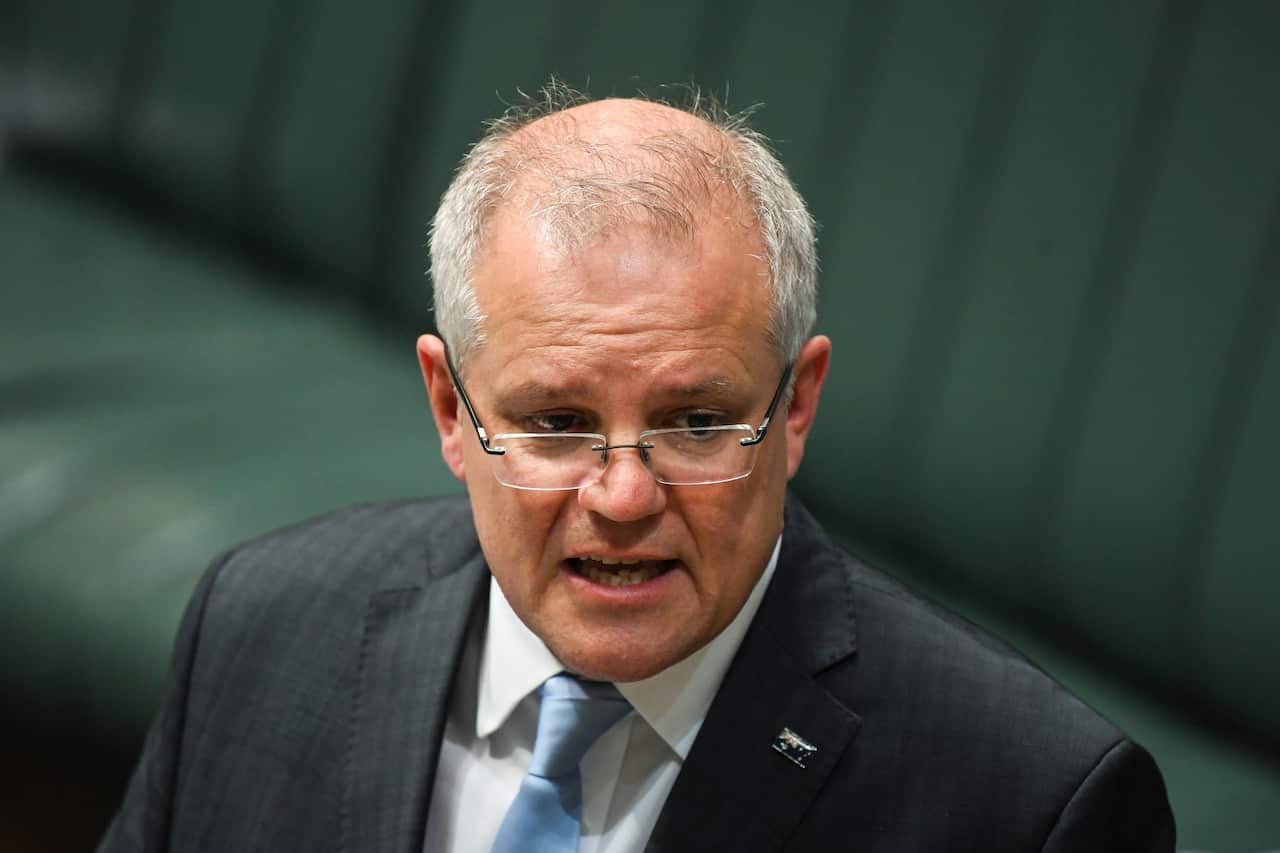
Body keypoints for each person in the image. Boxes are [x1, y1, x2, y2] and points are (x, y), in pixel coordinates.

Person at [99, 86, 1175, 852]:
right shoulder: (263, 625)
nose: (621, 498)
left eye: (697, 421)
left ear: (794, 407)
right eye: (559, 422)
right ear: (450, 408)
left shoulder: (1029, 805)